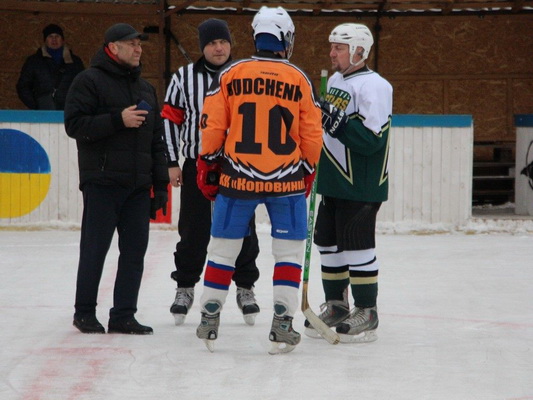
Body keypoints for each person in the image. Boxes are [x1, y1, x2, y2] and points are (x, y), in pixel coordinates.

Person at [194, 6, 323, 354]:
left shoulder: (231, 73)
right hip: (287, 181)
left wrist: (207, 163)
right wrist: (308, 168)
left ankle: (209, 315)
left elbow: (212, 126)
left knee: (223, 249)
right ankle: (282, 322)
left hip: (237, 178)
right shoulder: (299, 78)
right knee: (288, 253)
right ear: (285, 39)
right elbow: (313, 135)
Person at [64, 23, 169, 335]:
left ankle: (123, 315)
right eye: (132, 44)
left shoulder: (145, 89)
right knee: (94, 250)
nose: (138, 49)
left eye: (140, 44)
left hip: (138, 188)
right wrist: (117, 120)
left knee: (134, 253)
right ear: (113, 47)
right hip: (102, 183)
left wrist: (160, 185)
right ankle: (84, 313)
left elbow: (156, 141)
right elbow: (74, 125)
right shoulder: (88, 81)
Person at [161, 18, 261, 327]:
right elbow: (170, 119)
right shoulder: (184, 77)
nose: (218, 48)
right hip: (196, 163)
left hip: (238, 166)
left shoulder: (246, 74)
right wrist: (172, 161)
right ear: (202, 47)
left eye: (223, 42)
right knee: (194, 228)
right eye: (212, 43)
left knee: (243, 227)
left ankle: (245, 286)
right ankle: (185, 286)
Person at [304, 23, 393, 343]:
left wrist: (337, 122)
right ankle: (337, 305)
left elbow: (372, 141)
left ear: (358, 51)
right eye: (332, 47)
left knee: (357, 246)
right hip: (333, 180)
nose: (332, 53)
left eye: (339, 48)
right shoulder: (337, 80)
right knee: (327, 242)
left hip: (360, 183)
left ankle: (367, 310)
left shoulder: (375, 86)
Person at [17, 23, 84, 110]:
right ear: (45, 40)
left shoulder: (75, 62)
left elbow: (83, 86)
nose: (54, 39)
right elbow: (23, 86)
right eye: (50, 36)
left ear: (62, 40)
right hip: (43, 111)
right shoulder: (34, 62)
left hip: (68, 110)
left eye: (57, 36)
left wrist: (74, 105)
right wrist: (36, 106)